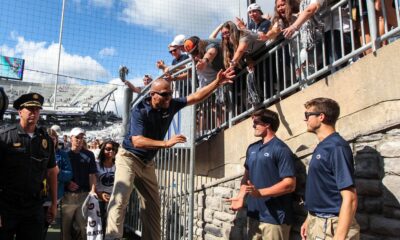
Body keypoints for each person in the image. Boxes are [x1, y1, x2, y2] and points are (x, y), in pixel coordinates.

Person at [105, 68, 235, 240]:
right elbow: (137, 140)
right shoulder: (140, 110)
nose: (169, 98)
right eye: (164, 94)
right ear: (153, 94)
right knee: (121, 197)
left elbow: (195, 97)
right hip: (128, 158)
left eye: (170, 94)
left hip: (147, 162)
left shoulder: (171, 103)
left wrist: (216, 83)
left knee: (153, 205)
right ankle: (112, 237)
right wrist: (166, 143)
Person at [227, 109, 296, 240]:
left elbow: (290, 185)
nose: (253, 126)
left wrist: (260, 193)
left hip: (275, 219)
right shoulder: (252, 148)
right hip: (254, 216)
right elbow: (246, 177)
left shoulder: (281, 149)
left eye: (256, 123)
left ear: (267, 124)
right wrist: (241, 196)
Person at [0, 92, 58, 240]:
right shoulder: (5, 137)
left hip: (34, 207)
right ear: (20, 111)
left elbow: (52, 173)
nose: (34, 113)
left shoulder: (46, 141)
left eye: (37, 109)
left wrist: (53, 203)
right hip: (7, 205)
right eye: (30, 109)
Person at [301, 98, 360, 240]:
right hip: (317, 222)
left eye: (307, 115)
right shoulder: (323, 145)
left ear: (321, 117)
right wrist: (309, 219)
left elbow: (350, 198)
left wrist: (339, 236)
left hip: (332, 226)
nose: (305, 120)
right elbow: (323, 187)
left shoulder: (336, 147)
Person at [62, 127, 97, 240]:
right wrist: (67, 183)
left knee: (83, 227)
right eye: (77, 137)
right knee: (65, 227)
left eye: (82, 137)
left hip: (84, 195)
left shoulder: (89, 154)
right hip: (67, 195)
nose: (80, 140)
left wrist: (92, 191)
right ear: (71, 138)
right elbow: (59, 173)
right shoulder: (64, 154)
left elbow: (92, 174)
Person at [42, 127, 73, 240]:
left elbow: (69, 174)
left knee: (52, 231)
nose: (51, 141)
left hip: (56, 197)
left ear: (56, 140)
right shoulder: (36, 152)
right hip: (38, 197)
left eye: (53, 139)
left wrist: (56, 173)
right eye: (48, 138)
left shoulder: (62, 155)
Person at [95, 140, 119, 234]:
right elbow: (93, 182)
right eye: (108, 149)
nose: (111, 151)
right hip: (99, 197)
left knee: (112, 224)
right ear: (102, 150)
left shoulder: (118, 165)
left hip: (113, 198)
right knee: (100, 224)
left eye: (113, 149)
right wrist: (100, 194)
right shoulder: (96, 164)